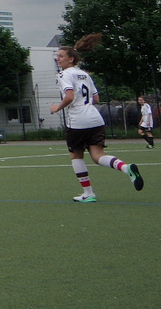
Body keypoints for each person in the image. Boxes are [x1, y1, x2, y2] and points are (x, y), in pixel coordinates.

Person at [49, 34, 143, 203]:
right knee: (98, 156)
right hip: (95, 117)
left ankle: (88, 193)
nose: (58, 59)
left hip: (78, 119)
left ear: (71, 59)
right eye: (57, 56)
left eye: (61, 56)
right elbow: (96, 99)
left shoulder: (64, 75)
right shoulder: (85, 74)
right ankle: (125, 167)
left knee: (76, 156)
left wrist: (57, 107)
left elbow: (69, 96)